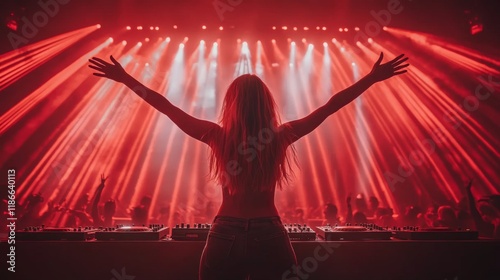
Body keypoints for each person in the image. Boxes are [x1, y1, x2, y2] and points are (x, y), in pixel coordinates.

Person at [89, 51, 409, 279]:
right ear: (266, 104)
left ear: (232, 104)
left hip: (225, 230)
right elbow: (329, 107)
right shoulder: (281, 137)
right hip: (268, 230)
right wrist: (370, 79)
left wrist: (125, 78)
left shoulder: (216, 136)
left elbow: (167, 107)